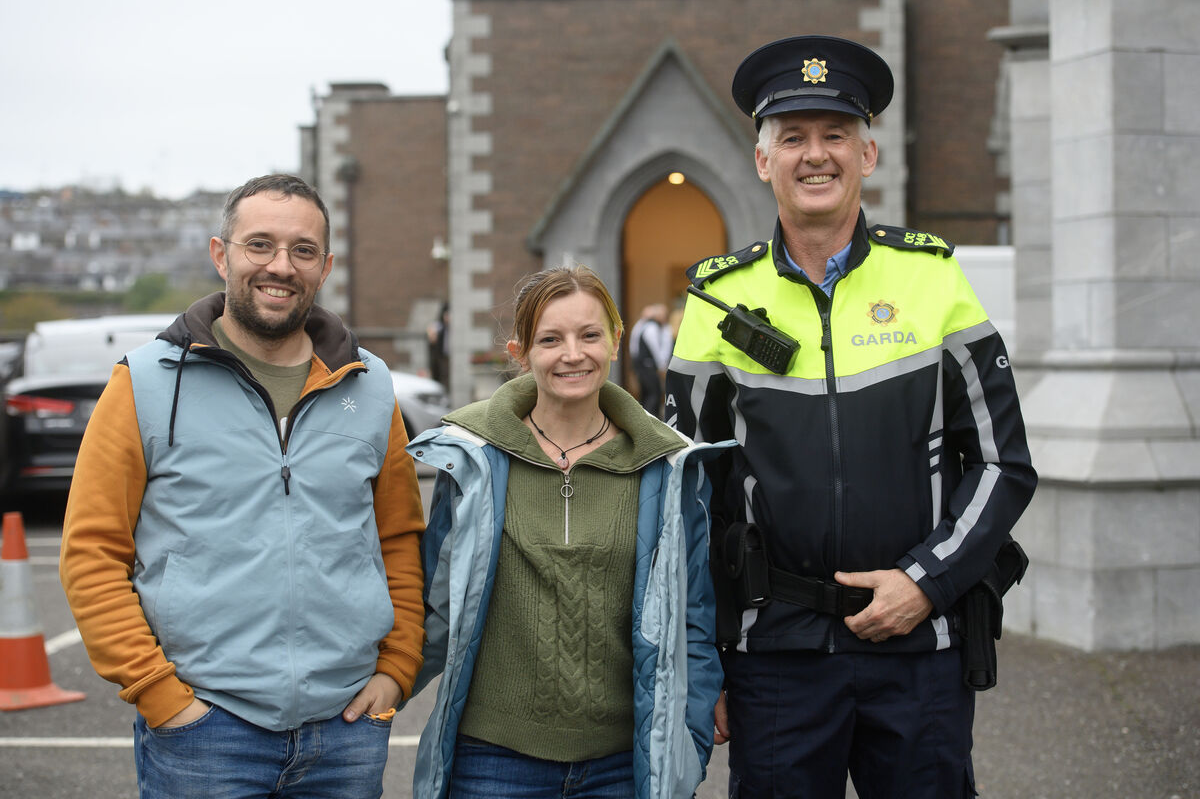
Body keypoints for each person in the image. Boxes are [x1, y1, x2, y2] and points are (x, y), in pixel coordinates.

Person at [665, 36, 1038, 799]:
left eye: (835, 135)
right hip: (774, 658)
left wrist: (925, 584)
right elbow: (684, 499)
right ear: (763, 160)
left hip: (919, 651)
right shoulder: (716, 302)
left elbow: (1006, 464)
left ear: (868, 154)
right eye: (792, 138)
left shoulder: (934, 280)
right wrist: (703, 656)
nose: (815, 155)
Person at [58, 174, 426, 799]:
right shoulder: (145, 383)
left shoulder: (371, 387)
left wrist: (396, 668)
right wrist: (162, 697)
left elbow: (397, 538)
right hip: (203, 733)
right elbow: (91, 552)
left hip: (346, 733)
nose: (280, 266)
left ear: (326, 266)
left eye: (302, 250)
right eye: (260, 245)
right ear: (221, 255)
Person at [404, 265, 729, 799]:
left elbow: (692, 616)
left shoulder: (667, 467)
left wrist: (687, 742)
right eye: (550, 339)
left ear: (616, 342)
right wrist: (377, 685)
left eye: (589, 335)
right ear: (520, 351)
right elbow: (432, 603)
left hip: (623, 764)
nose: (572, 354)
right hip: (492, 762)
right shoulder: (473, 459)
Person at [627, 302, 673, 417]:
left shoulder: (643, 326)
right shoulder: (652, 327)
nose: (664, 316)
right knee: (653, 393)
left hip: (642, 364)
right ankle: (651, 420)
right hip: (647, 365)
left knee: (646, 393)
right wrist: (661, 365)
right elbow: (655, 349)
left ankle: (644, 419)